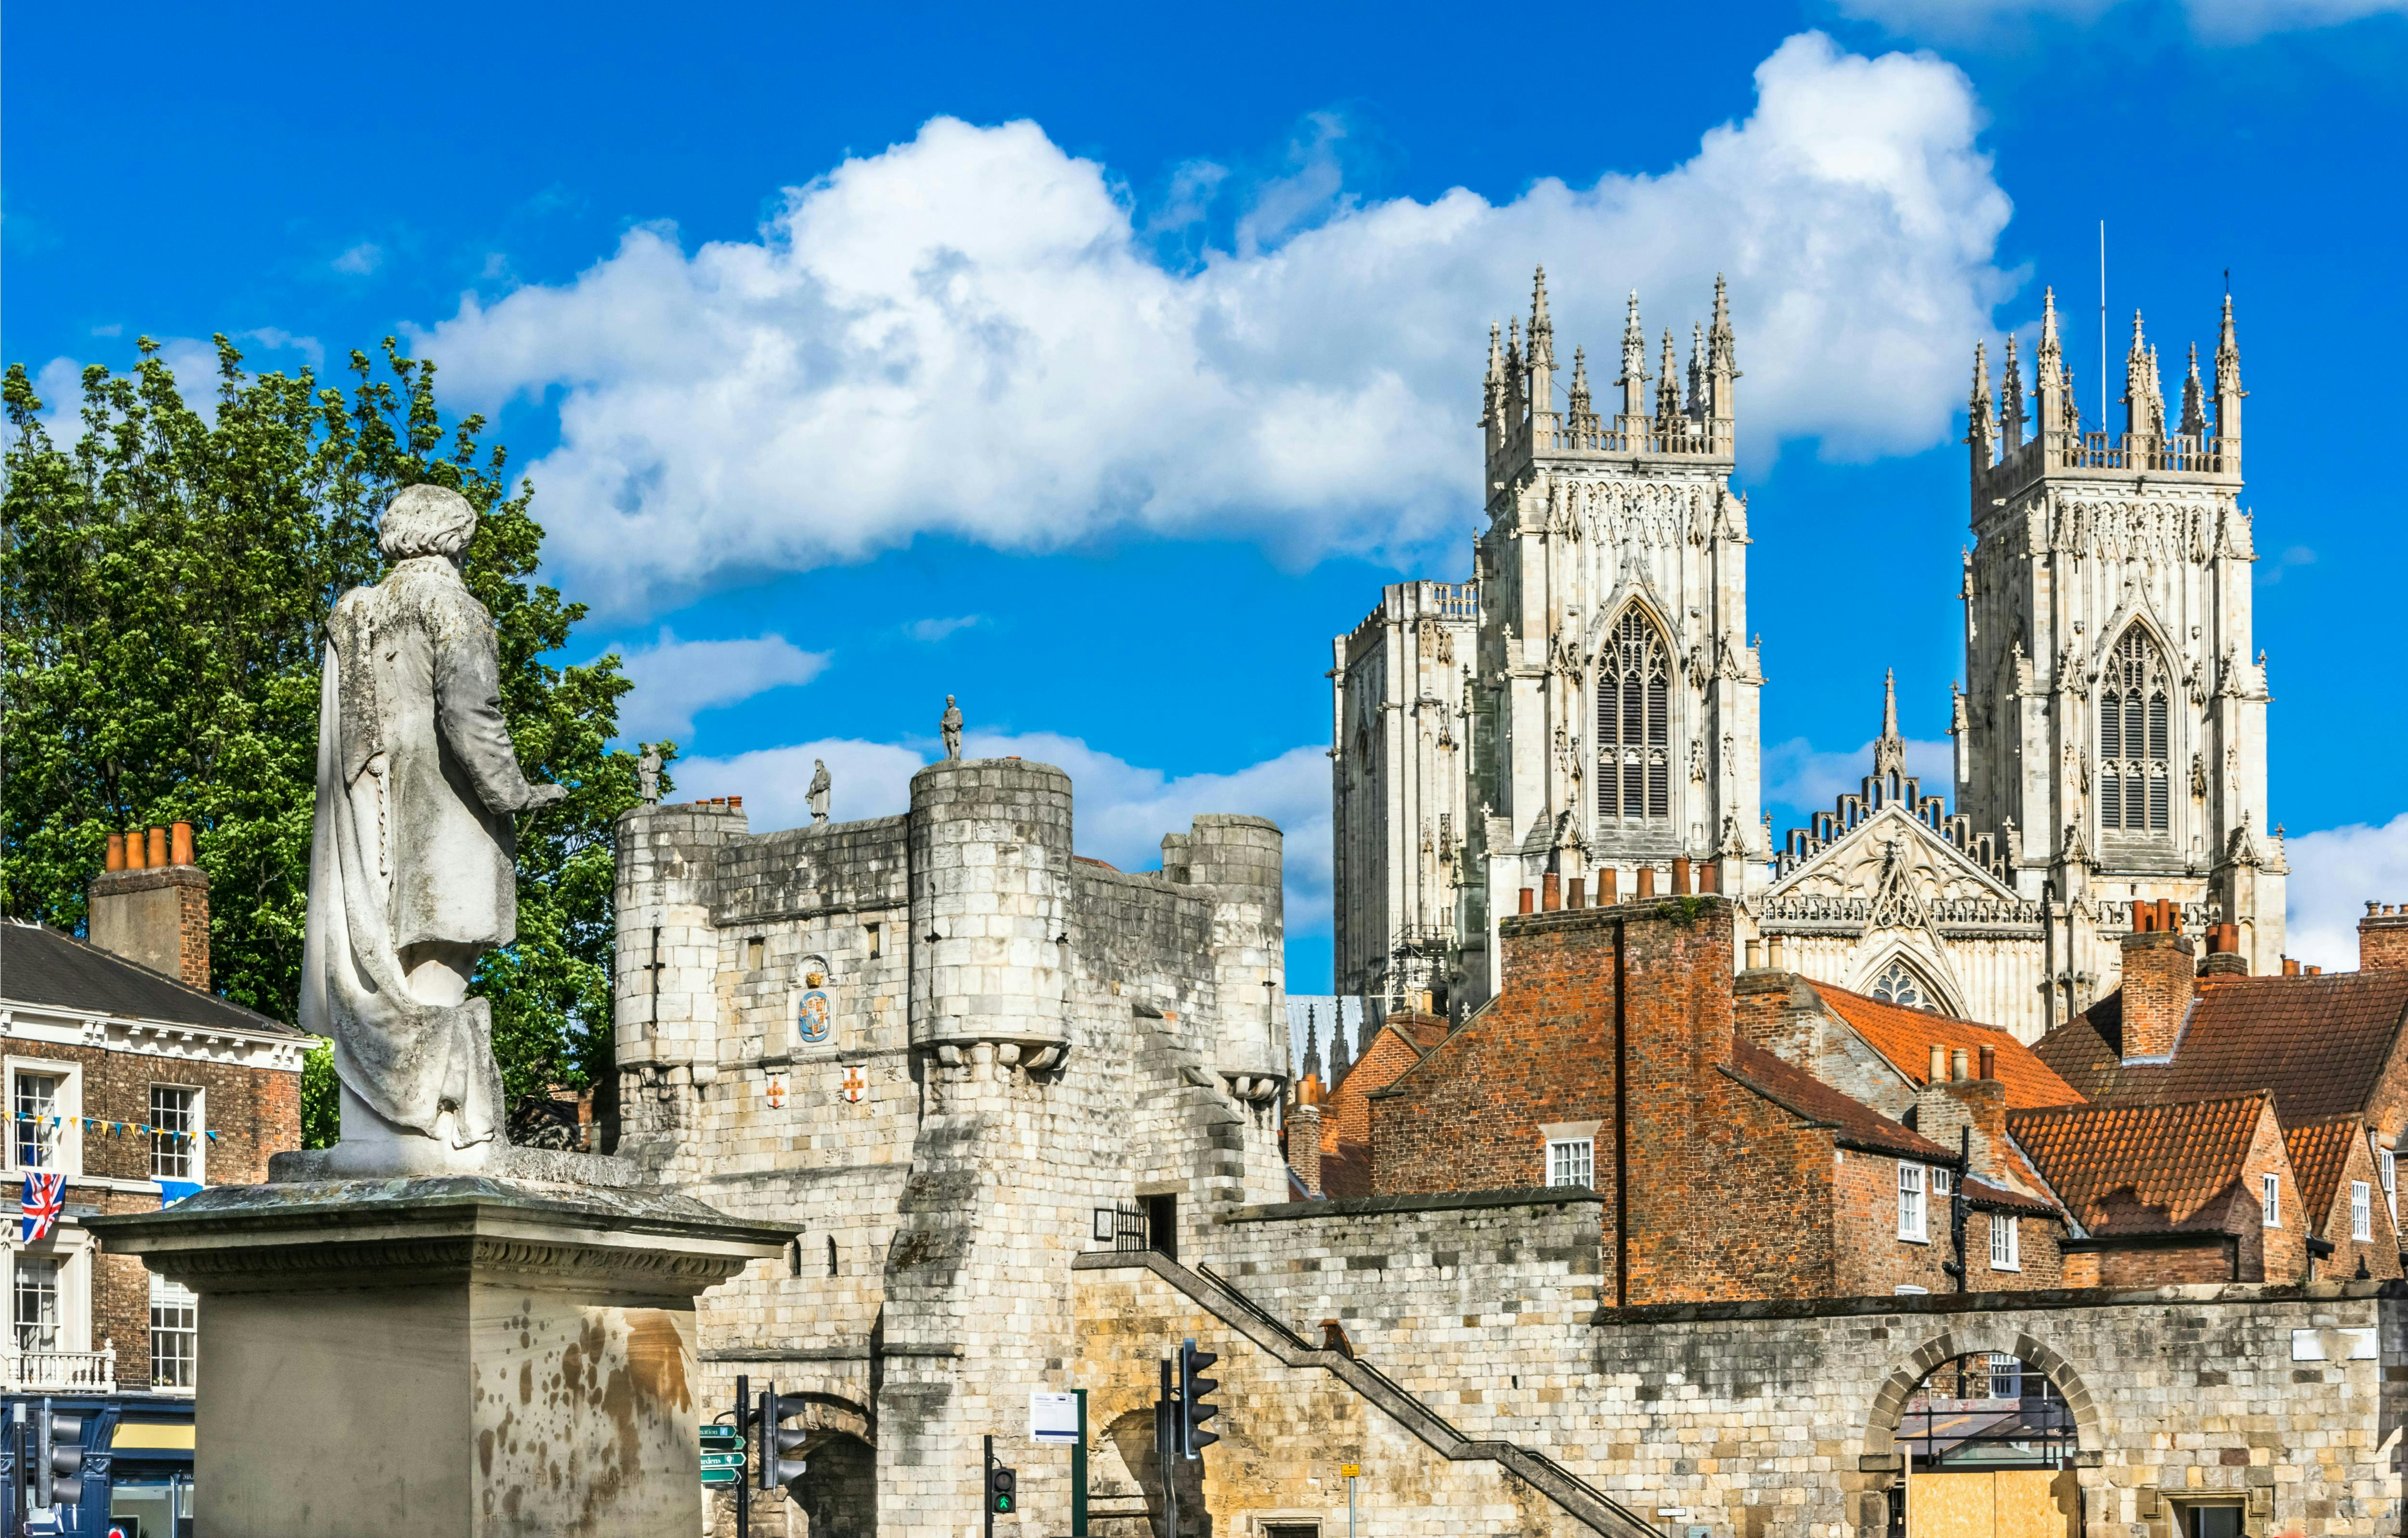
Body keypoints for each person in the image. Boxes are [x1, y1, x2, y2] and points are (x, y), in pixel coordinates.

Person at [300, 484, 566, 1172]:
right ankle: (425, 1122)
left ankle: (377, 1126)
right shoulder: (452, 606)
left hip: (370, 820)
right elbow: (471, 715)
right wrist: (517, 791)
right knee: (441, 963)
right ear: (456, 537)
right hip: (444, 815)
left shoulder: (353, 613)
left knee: (387, 963)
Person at [940, 695, 964, 761]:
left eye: (951, 700)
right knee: (949, 744)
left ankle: (954, 757)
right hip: (948, 730)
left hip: (955, 730)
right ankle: (951, 756)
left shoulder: (957, 711)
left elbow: (961, 722)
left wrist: (956, 725)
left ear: (954, 702)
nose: (949, 702)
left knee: (951, 741)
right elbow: (943, 720)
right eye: (948, 701)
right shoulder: (946, 712)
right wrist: (942, 724)